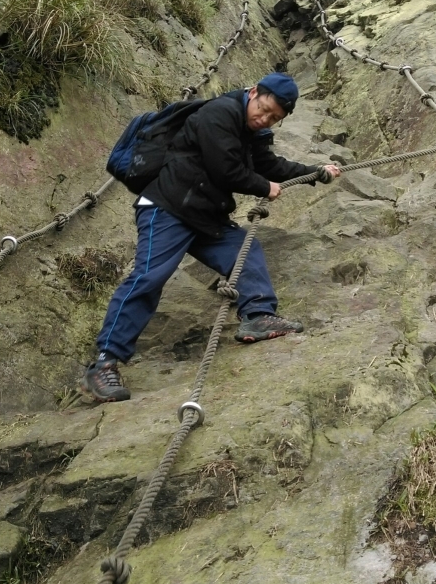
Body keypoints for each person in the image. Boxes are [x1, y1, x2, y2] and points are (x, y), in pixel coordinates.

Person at [82, 74, 341, 402]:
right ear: (252, 93)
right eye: (263, 109)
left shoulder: (252, 133)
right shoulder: (219, 113)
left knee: (243, 251)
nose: (264, 119)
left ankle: (258, 316)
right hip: (167, 208)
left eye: (274, 118)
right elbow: (225, 169)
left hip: (204, 216)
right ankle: (103, 365)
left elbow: (269, 165)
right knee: (149, 278)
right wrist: (263, 188)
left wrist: (314, 173)